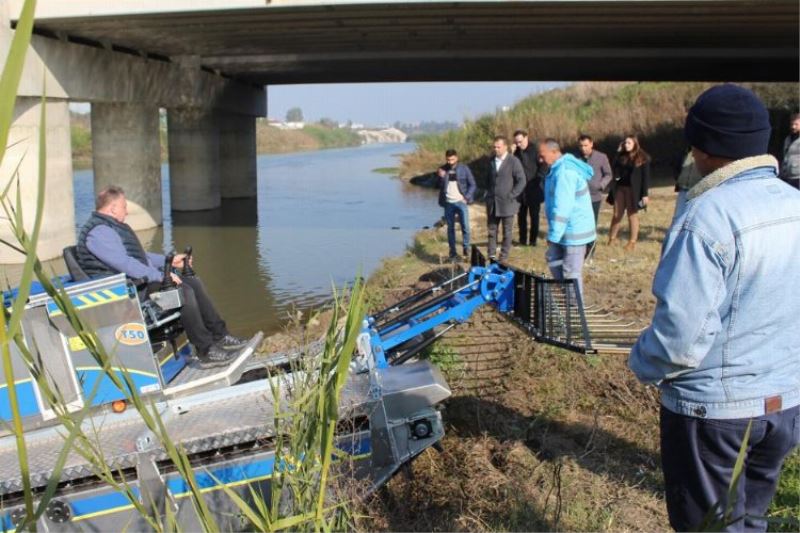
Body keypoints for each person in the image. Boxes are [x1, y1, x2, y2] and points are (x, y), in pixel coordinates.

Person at [628, 84, 800, 532]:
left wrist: (642, 361)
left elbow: (679, 340)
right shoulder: (795, 203)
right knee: (750, 521)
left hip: (716, 415)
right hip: (784, 405)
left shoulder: (705, 217)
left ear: (702, 146)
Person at [75, 186, 247, 368]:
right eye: (124, 206)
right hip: (125, 295)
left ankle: (220, 335)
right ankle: (206, 350)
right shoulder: (99, 232)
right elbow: (126, 264)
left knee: (192, 282)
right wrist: (162, 276)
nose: (126, 211)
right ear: (113, 208)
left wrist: (170, 261)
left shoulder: (110, 227)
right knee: (181, 291)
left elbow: (140, 257)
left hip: (135, 285)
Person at [538, 139, 596, 299]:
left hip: (574, 232)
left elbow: (562, 207)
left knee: (571, 273)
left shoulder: (565, 173)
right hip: (563, 230)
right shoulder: (556, 169)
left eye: (543, 155)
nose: (540, 159)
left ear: (554, 152)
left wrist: (553, 236)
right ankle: (567, 296)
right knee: (553, 259)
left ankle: (575, 310)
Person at [486, 136, 526, 262]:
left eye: (498, 147)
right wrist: (487, 195)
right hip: (493, 202)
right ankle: (491, 255)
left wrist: (512, 195)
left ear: (505, 147)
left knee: (507, 232)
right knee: (492, 230)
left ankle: (503, 256)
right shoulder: (491, 161)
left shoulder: (513, 161)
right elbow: (488, 180)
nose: (496, 149)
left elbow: (522, 180)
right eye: (494, 147)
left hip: (507, 203)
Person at [607, 135, 651, 251]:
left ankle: (632, 241)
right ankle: (612, 238)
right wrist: (618, 152)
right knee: (617, 214)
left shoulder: (642, 157)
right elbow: (613, 167)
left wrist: (645, 194)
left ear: (635, 144)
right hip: (620, 188)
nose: (626, 145)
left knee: (632, 214)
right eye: (625, 143)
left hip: (633, 190)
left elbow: (645, 177)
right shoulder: (620, 156)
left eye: (629, 143)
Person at [437, 149, 477, 259]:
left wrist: (467, 197)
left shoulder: (464, 168)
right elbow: (439, 186)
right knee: (450, 229)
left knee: (466, 227)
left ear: (457, 158)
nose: (450, 162)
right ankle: (453, 253)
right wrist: (441, 177)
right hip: (448, 203)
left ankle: (466, 250)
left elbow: (473, 184)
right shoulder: (442, 169)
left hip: (461, 202)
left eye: (452, 159)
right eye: (448, 160)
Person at [577, 134, 612, 257]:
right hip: (579, 198)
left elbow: (608, 174)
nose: (583, 148)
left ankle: (591, 251)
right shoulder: (576, 159)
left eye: (586, 145)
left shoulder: (601, 157)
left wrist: (600, 185)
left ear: (591, 144)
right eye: (581, 146)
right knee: (580, 224)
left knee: (591, 224)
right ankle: (580, 250)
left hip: (595, 197)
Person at [513, 130, 543, 246]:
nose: (519, 144)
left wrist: (538, 180)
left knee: (534, 216)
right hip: (520, 190)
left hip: (534, 187)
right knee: (521, 217)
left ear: (526, 138)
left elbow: (543, 166)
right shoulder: (515, 152)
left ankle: (533, 240)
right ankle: (522, 240)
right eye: (517, 143)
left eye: (520, 142)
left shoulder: (535, 150)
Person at [779, 112, 799, 189]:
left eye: (796, 124)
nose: (793, 127)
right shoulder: (788, 139)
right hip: (786, 176)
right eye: (792, 124)